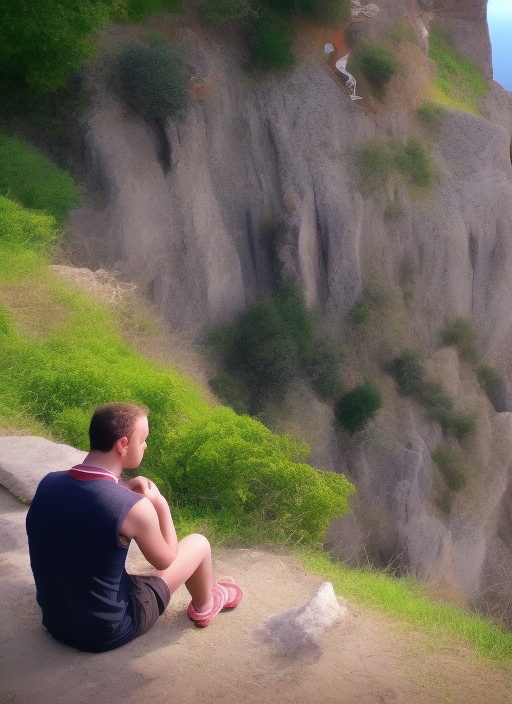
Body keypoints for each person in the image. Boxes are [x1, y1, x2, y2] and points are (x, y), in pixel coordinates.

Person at [26, 402, 242, 652]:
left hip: (56, 622)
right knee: (198, 544)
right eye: (143, 440)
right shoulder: (135, 507)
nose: (146, 445)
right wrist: (160, 504)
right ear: (123, 445)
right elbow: (166, 560)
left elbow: (92, 499)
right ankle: (205, 605)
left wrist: (124, 487)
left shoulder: (49, 483)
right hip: (106, 631)